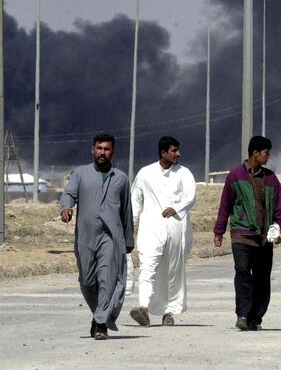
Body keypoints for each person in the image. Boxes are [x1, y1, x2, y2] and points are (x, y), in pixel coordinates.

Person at [59, 134, 134, 340]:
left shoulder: (121, 178)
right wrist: (66, 208)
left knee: (107, 279)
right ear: (93, 150)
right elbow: (68, 194)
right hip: (86, 236)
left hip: (111, 237)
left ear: (113, 151)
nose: (102, 152)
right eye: (99, 148)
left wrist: (128, 239)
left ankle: (101, 323)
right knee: (86, 280)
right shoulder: (80, 173)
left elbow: (127, 211)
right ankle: (98, 314)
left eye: (107, 149)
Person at [213, 136, 281, 331]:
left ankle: (255, 317)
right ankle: (243, 314)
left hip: (264, 237)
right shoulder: (235, 176)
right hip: (241, 234)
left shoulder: (271, 178)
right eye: (266, 152)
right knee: (242, 272)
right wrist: (219, 231)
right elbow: (225, 205)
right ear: (255, 153)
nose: (269, 156)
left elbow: (280, 208)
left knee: (262, 278)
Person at [129, 136, 196, 327]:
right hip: (151, 227)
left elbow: (191, 197)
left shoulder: (184, 173)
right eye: (174, 150)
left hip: (176, 227)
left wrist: (177, 208)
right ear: (163, 152)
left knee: (171, 271)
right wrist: (130, 227)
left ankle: (169, 312)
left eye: (178, 150)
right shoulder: (145, 173)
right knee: (147, 266)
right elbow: (136, 200)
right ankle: (143, 307)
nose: (178, 154)